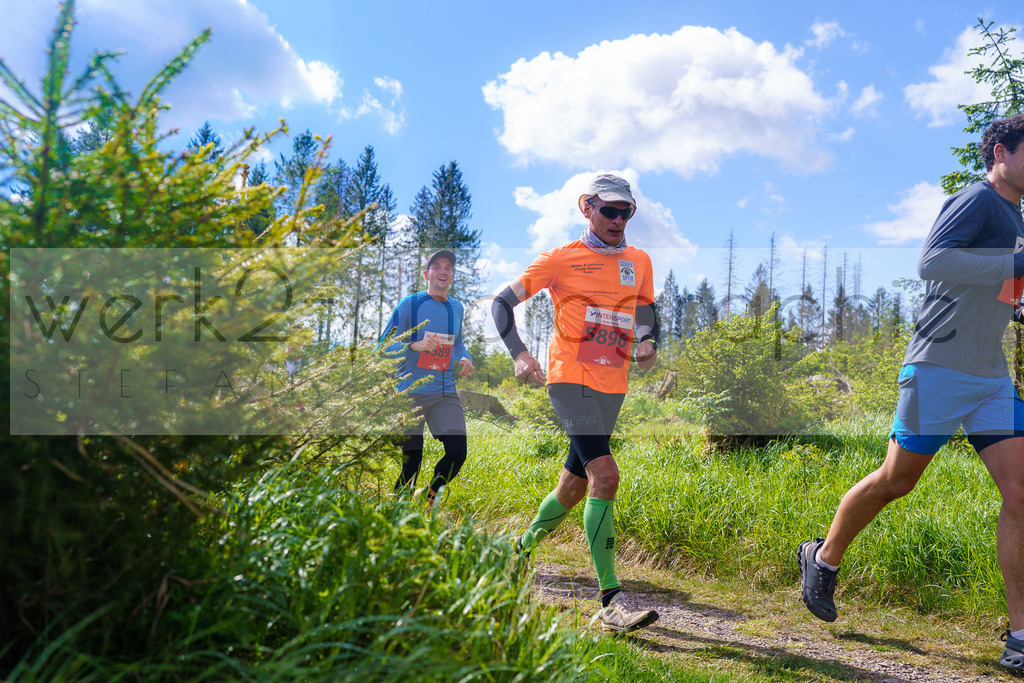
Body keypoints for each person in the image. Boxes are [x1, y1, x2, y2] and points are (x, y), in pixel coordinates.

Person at [796, 114, 1024, 673]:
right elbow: (932, 262)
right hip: (938, 368)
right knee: (896, 481)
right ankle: (823, 557)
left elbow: (994, 286)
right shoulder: (977, 199)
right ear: (1001, 152)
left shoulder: (1015, 215)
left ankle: (1020, 636)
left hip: (991, 377)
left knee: (1021, 495)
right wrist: (1017, 263)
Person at [491, 173, 661, 632]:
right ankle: (610, 602)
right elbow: (501, 303)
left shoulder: (639, 260)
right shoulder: (560, 259)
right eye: (610, 210)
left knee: (572, 487)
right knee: (605, 475)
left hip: (613, 384)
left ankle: (517, 553)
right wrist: (520, 353)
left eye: (626, 212)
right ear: (588, 208)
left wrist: (648, 341)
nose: (618, 219)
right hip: (569, 379)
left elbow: (646, 310)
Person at [379, 249, 474, 509]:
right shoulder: (410, 304)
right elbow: (383, 347)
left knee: (457, 452)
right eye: (437, 266)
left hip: (444, 391)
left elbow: (457, 343)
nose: (443, 271)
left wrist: (465, 358)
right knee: (411, 462)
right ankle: (398, 512)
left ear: (452, 276)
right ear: (426, 274)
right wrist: (413, 345)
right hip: (410, 391)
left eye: (448, 267)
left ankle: (428, 498)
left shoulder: (457, 307)